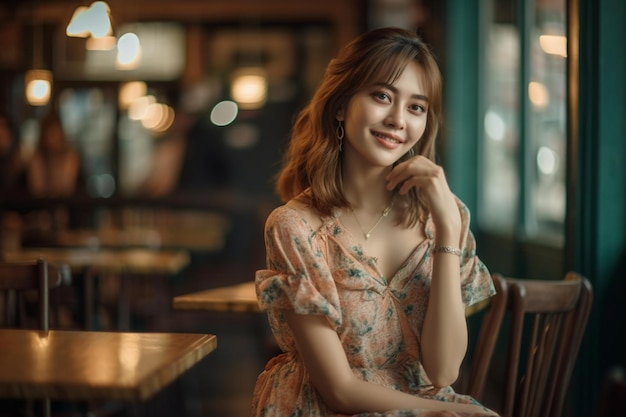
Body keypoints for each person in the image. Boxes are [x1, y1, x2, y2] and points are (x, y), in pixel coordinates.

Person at [253, 27, 499, 417]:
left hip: (422, 404)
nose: (397, 119)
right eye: (381, 96)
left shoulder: (444, 217)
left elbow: (444, 371)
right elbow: (339, 391)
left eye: (416, 107)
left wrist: (448, 232)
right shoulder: (295, 227)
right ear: (340, 105)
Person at [26, 108, 80, 198]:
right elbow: (37, 188)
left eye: (56, 133)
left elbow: (68, 187)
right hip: (40, 207)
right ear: (44, 136)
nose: (53, 138)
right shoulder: (37, 157)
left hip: (67, 207)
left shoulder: (71, 156)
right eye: (50, 134)